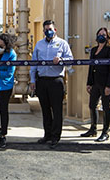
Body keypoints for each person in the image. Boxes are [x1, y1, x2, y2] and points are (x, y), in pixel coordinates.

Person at [30, 20, 73, 149]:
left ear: (55, 30)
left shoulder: (62, 44)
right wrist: (33, 80)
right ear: (43, 31)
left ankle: (55, 136)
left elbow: (71, 61)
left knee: (57, 110)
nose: (48, 31)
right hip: (42, 80)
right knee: (45, 109)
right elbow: (34, 64)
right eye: (46, 29)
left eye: (50, 29)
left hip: (56, 80)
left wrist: (61, 60)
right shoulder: (39, 45)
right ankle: (47, 134)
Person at [81, 27, 110, 142]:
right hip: (95, 82)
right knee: (92, 105)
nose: (101, 36)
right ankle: (93, 129)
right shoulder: (94, 50)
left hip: (106, 82)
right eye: (100, 34)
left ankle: (105, 132)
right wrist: (89, 83)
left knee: (106, 107)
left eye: (104, 34)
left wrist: (109, 86)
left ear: (108, 37)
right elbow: (91, 67)